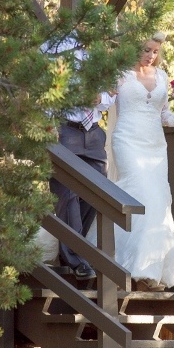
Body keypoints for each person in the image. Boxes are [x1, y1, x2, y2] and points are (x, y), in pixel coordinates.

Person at [108, 32, 174, 292]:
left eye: (155, 52)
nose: (151, 56)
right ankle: (123, 263)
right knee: (138, 193)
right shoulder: (119, 73)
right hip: (128, 140)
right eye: (146, 50)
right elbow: (106, 101)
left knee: (157, 201)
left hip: (155, 145)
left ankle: (148, 270)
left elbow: (165, 115)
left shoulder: (162, 77)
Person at [43, 36, 116, 280]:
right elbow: (42, 87)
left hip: (93, 132)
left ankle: (75, 249)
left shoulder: (100, 48)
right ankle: (76, 259)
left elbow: (111, 94)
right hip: (64, 128)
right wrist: (48, 125)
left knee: (96, 193)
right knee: (67, 193)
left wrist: (100, 99)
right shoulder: (52, 45)